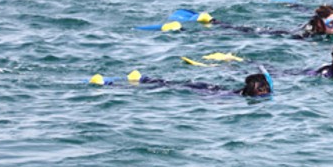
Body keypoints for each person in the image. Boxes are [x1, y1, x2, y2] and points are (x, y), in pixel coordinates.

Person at [90, 70, 273, 97]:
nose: (265, 92)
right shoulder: (235, 97)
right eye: (262, 90)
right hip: (208, 91)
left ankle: (142, 78)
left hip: (208, 87)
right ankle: (112, 85)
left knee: (169, 84)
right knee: (168, 86)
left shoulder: (242, 93)